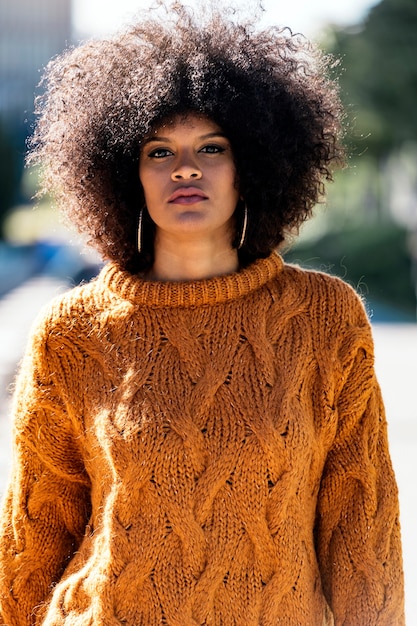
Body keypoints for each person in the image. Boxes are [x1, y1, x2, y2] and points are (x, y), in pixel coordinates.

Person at [0, 3, 405, 625]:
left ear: (254, 167)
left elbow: (361, 523)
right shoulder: (71, 333)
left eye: (211, 147)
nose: (185, 167)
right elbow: (36, 536)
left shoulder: (325, 319)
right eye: (158, 151)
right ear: (123, 175)